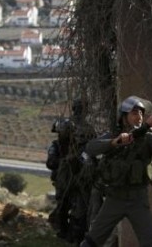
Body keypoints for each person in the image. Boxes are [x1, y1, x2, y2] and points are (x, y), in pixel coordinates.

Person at [80, 96, 152, 247]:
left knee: (150, 242)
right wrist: (115, 142)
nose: (139, 117)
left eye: (141, 113)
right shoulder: (114, 136)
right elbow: (91, 148)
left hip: (138, 200)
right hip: (114, 198)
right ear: (124, 117)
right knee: (92, 241)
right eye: (134, 113)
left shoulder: (148, 138)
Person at [46, 99, 96, 244]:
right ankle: (67, 234)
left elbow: (90, 151)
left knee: (77, 208)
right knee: (65, 205)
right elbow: (53, 160)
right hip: (66, 174)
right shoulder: (68, 125)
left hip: (79, 174)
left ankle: (73, 236)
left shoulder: (86, 128)